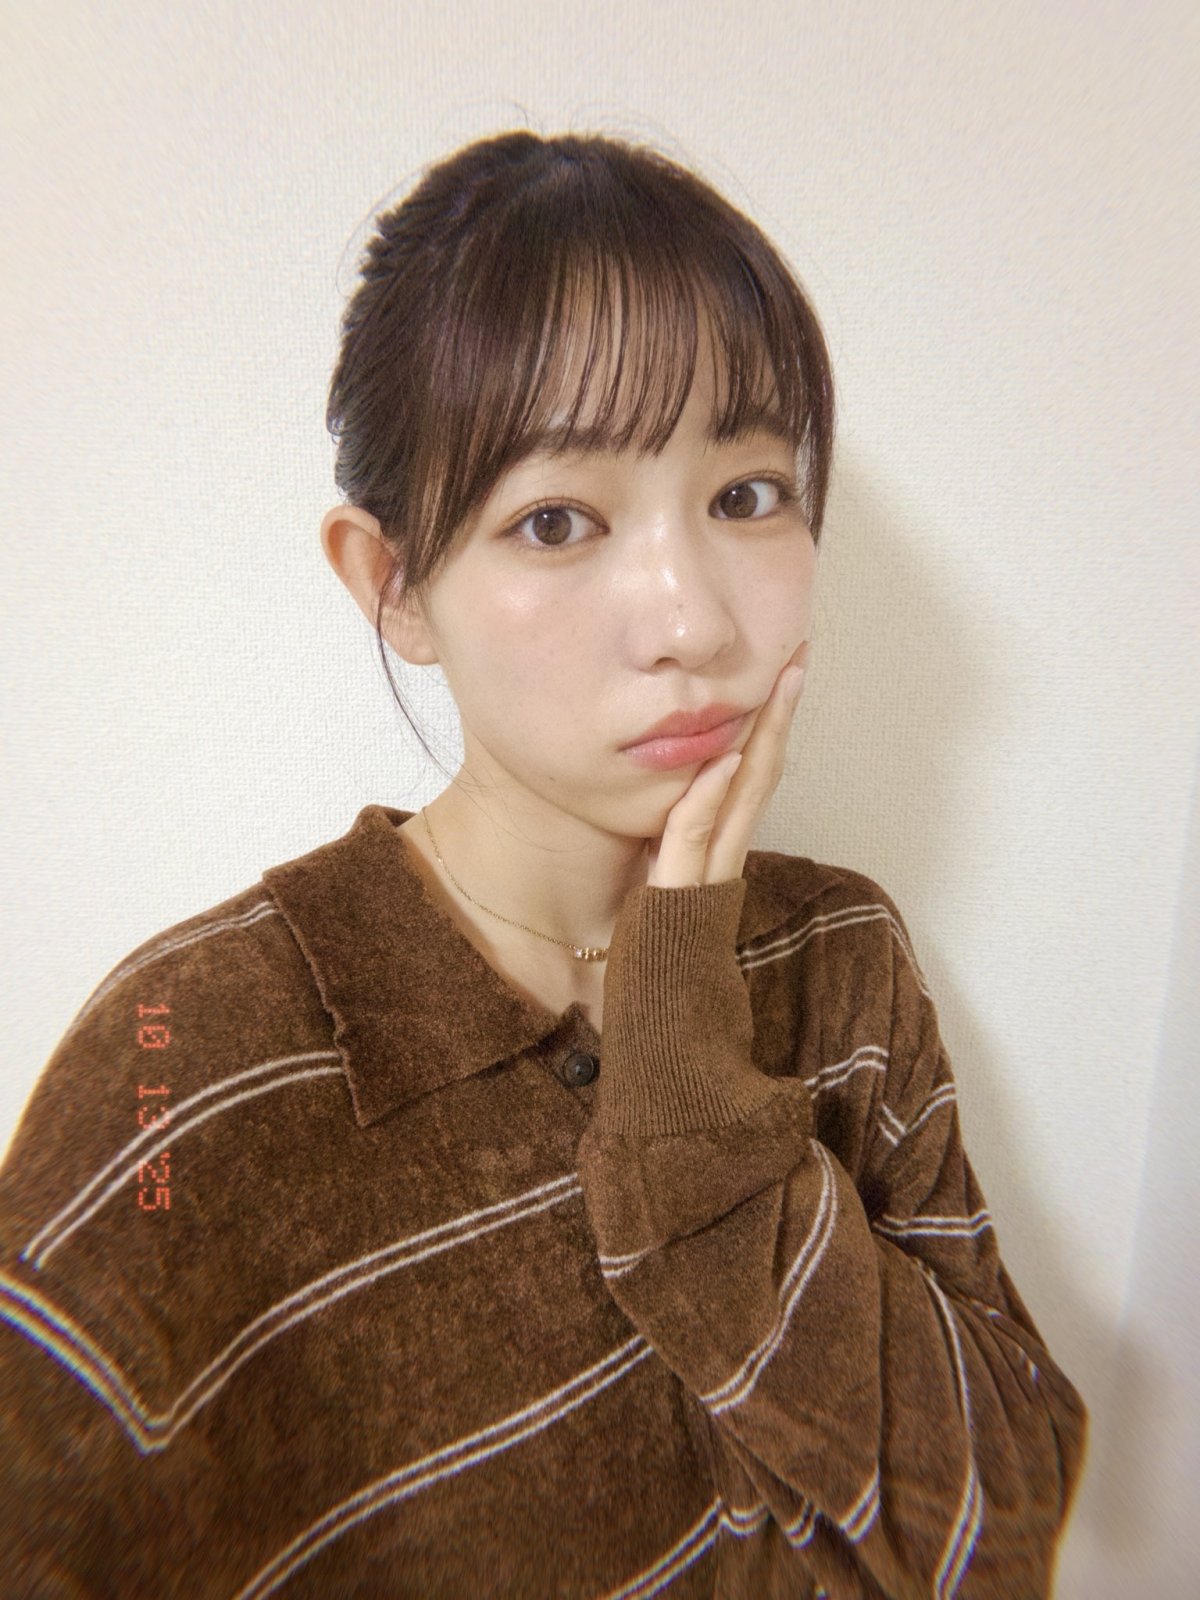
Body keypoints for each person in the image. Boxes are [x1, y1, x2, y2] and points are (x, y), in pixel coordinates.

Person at [0, 130, 1086, 1599]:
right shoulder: (185, 1060)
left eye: (747, 494)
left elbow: (1001, 1527)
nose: (691, 621)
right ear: (395, 584)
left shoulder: (838, 953)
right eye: (557, 521)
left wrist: (697, 1110)